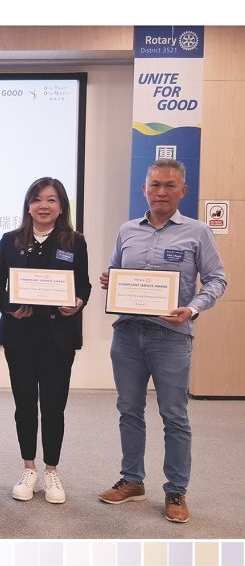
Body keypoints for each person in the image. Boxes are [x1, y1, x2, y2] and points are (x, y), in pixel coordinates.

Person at [98, 160, 226, 524]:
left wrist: (193, 308)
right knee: (129, 410)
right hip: (127, 335)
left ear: (183, 191)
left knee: (174, 416)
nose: (161, 192)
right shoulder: (127, 230)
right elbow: (115, 270)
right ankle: (132, 480)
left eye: (170, 186)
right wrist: (111, 280)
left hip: (171, 338)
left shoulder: (198, 232)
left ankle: (176, 490)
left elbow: (217, 279)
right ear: (144, 189)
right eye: (155, 185)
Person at [0, 177, 91, 505]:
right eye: (37, 199)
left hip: (57, 336)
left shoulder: (74, 242)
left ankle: (51, 470)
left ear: (61, 206)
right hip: (20, 335)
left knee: (53, 405)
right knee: (24, 404)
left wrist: (77, 302)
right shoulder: (10, 240)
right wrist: (10, 307)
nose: (43, 206)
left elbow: (84, 285)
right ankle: (28, 468)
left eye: (51, 200)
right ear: (28, 205)